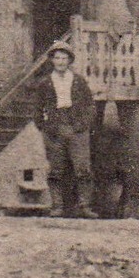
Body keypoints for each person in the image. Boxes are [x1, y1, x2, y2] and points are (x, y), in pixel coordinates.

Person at [31, 41, 97, 218]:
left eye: (64, 58)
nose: (60, 61)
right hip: (54, 129)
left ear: (69, 60)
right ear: (52, 60)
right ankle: (57, 206)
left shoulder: (78, 81)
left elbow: (90, 105)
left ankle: (84, 206)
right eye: (57, 58)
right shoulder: (45, 83)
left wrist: (82, 125)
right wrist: (45, 127)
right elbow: (37, 109)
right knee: (55, 169)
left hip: (76, 128)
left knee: (82, 168)